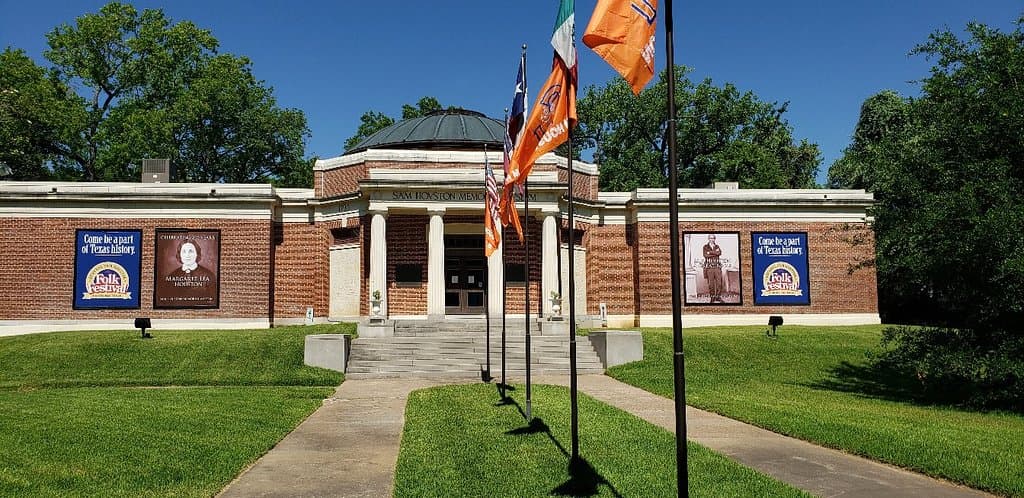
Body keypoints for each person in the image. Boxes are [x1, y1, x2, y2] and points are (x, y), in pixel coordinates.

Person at [161, 239, 217, 306]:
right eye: (184, 252)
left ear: (197, 253)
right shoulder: (172, 276)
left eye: (191, 251)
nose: (187, 255)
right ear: (180, 254)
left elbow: (212, 301)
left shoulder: (209, 275)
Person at [702, 234, 724, 303]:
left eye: (713, 238)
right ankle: (712, 298)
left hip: (717, 267)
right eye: (711, 238)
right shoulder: (705, 247)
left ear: (715, 239)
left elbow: (719, 253)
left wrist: (710, 252)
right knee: (711, 284)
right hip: (709, 268)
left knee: (719, 283)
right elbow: (705, 255)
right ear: (708, 239)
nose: (712, 239)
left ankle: (718, 297)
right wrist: (715, 253)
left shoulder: (717, 246)